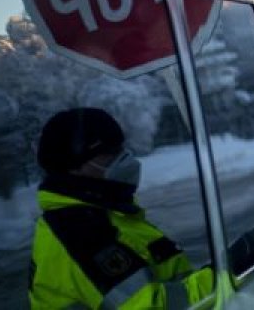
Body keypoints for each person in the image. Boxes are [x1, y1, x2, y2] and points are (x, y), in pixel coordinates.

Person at [28, 107, 213, 309]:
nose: (125, 157)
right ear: (74, 165)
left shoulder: (105, 214)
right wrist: (227, 274)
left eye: (120, 148)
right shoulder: (77, 233)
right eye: (110, 152)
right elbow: (154, 306)